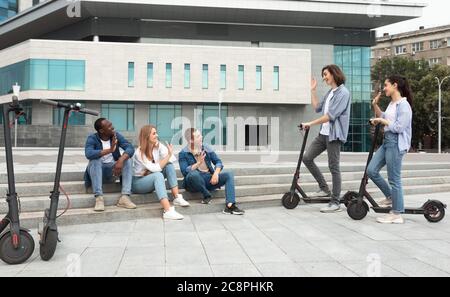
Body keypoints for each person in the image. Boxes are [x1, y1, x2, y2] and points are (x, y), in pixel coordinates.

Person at [301, 65, 351, 213]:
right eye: (323, 75)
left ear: (334, 74)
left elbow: (330, 116)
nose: (324, 78)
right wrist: (312, 90)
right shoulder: (331, 92)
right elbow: (317, 107)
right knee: (307, 158)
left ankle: (335, 202)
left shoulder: (343, 93)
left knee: (333, 167)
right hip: (323, 134)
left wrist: (310, 123)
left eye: (325, 74)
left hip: (334, 135)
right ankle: (324, 188)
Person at [368, 75, 413, 224]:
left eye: (386, 85)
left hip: (396, 142)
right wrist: (375, 106)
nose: (384, 88)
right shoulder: (392, 104)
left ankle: (397, 213)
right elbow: (384, 117)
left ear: (395, 85)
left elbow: (399, 127)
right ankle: (390, 197)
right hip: (387, 141)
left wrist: (382, 120)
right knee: (371, 170)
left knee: (394, 179)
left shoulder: (404, 105)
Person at [178, 128, 245, 215]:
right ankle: (207, 194)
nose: (201, 137)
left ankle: (230, 206)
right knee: (193, 174)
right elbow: (185, 171)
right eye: (198, 136)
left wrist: (216, 173)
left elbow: (218, 162)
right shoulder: (183, 153)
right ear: (191, 140)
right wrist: (198, 163)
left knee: (229, 174)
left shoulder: (206, 148)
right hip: (193, 183)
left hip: (208, 179)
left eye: (201, 135)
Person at [132, 125, 189, 220]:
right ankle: (167, 211)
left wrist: (153, 168)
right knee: (158, 175)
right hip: (138, 183)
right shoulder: (139, 152)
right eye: (154, 133)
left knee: (169, 166)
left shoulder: (157, 145)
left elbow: (171, 160)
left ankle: (176, 197)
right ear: (147, 136)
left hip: (149, 177)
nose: (157, 135)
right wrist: (167, 156)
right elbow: (156, 168)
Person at [84, 118, 136, 212]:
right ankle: (99, 198)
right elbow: (89, 153)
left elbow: (130, 148)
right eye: (109, 126)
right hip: (97, 172)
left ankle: (125, 197)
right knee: (95, 160)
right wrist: (109, 150)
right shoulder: (92, 138)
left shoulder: (116, 136)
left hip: (113, 171)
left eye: (111, 125)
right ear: (101, 130)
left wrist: (120, 160)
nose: (113, 127)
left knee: (127, 160)